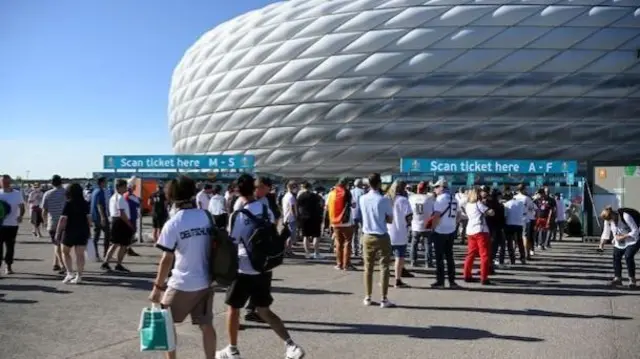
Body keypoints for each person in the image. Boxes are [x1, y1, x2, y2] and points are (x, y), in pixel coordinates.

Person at [216, 173, 305, 359]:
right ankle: (291, 345)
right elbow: (273, 229)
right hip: (264, 267)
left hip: (244, 268)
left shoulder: (238, 215)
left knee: (233, 308)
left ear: (238, 192)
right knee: (263, 309)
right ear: (255, 189)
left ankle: (232, 349)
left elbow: (232, 242)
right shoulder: (266, 209)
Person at [149, 175, 216, 359]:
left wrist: (157, 287)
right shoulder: (206, 216)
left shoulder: (173, 223)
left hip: (182, 282)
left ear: (170, 196)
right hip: (206, 280)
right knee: (206, 325)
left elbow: (166, 258)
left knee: (165, 324)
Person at [358, 173, 395, 308]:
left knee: (368, 267)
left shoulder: (362, 198)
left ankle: (368, 297)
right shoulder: (384, 200)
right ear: (379, 184)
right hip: (382, 234)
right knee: (384, 266)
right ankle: (384, 299)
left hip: (367, 235)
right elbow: (390, 219)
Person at [55, 183, 91, 284]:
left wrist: (58, 232)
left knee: (65, 251)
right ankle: (79, 276)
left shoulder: (68, 203)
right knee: (80, 255)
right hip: (83, 230)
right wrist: (89, 230)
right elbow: (89, 219)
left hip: (69, 231)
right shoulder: (85, 203)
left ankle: (70, 272)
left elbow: (63, 219)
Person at [430, 179, 459, 289]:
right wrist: (454, 225)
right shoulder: (454, 198)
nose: (435, 189)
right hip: (451, 230)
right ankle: (452, 281)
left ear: (441, 187)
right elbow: (459, 215)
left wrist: (432, 228)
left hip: (440, 230)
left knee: (439, 258)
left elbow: (436, 215)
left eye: (436, 187)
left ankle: (440, 281)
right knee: (449, 256)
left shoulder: (440, 199)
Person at [600, 206, 639, 288]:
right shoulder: (608, 220)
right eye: (608, 221)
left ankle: (632, 279)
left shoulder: (625, 216)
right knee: (616, 256)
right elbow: (606, 232)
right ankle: (618, 278)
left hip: (634, 238)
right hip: (620, 240)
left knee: (628, 256)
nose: (611, 221)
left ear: (613, 214)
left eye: (611, 219)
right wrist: (601, 244)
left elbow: (635, 230)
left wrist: (623, 237)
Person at [101, 179, 135, 273]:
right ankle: (118, 264)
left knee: (115, 244)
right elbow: (122, 212)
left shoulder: (113, 197)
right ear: (119, 187)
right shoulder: (120, 198)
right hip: (121, 222)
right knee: (123, 244)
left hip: (116, 221)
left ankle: (106, 262)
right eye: (124, 186)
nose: (126, 188)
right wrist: (129, 224)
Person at [463, 187, 494, 285]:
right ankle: (484, 277)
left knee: (470, 254)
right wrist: (490, 208)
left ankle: (467, 275)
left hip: (470, 230)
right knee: (484, 255)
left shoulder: (468, 205)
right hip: (480, 230)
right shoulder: (479, 204)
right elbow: (491, 213)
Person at [386, 181, 413, 288]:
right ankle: (397, 280)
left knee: (386, 258)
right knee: (399, 257)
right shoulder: (403, 200)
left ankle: (385, 279)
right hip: (400, 232)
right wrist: (408, 224)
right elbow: (409, 217)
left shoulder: (386, 199)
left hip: (387, 231)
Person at [327, 178, 356, 270]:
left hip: (335, 222)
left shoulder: (331, 193)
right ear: (346, 184)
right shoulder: (347, 193)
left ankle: (339, 264)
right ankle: (346, 264)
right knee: (347, 243)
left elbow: (327, 206)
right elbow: (354, 205)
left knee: (338, 243)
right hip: (346, 222)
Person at [0, 174, 25, 275]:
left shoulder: (17, 193)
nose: (5, 184)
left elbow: (22, 207)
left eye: (7, 182)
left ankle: (8, 266)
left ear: (10, 182)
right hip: (0, 224)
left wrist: (20, 216)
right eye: (3, 182)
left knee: (10, 246)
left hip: (12, 224)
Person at [42, 175, 67, 274]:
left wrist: (44, 222)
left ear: (52, 183)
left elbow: (44, 210)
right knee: (60, 244)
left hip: (52, 222)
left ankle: (58, 263)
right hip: (65, 222)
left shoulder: (47, 194)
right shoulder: (66, 193)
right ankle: (61, 264)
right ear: (61, 182)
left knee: (56, 244)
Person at [409, 181, 434, 268]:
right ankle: (428, 262)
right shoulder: (429, 198)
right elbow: (432, 211)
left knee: (414, 244)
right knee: (428, 244)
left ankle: (413, 261)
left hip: (415, 224)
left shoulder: (411, 198)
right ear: (425, 189)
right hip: (426, 224)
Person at [296, 182, 323, 259]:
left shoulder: (300, 196)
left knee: (305, 236)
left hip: (304, 218)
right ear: (310, 187)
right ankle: (316, 253)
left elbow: (297, 207)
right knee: (316, 236)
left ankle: (307, 253)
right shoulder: (316, 196)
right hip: (315, 217)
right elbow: (321, 205)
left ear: (303, 187)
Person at [503, 191, 527, 264]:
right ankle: (522, 257)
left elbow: (505, 215)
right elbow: (524, 212)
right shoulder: (521, 203)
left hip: (509, 224)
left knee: (510, 242)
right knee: (520, 242)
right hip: (519, 224)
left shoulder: (506, 204)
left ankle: (512, 259)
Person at [90, 177, 110, 259]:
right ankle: (106, 254)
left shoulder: (94, 191)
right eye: (105, 182)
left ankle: (96, 254)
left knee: (96, 235)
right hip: (100, 216)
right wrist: (103, 217)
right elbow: (99, 205)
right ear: (102, 182)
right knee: (108, 234)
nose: (106, 183)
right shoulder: (100, 191)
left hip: (94, 216)